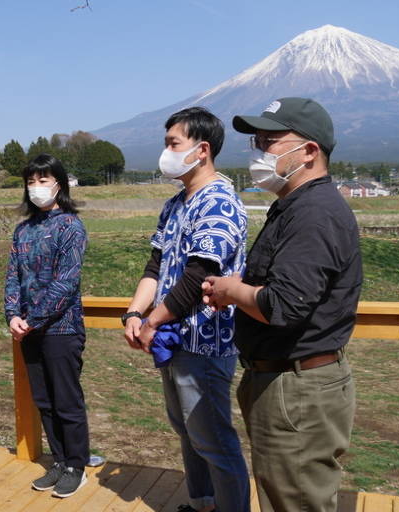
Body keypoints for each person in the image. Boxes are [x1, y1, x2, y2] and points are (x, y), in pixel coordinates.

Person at [202, 97, 361, 512]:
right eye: (257, 140)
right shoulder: (295, 206)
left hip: (298, 388)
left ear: (309, 151)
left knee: (296, 501)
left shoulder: (314, 214)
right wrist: (239, 290)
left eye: (269, 141)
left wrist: (230, 291)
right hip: (284, 382)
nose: (259, 150)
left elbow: (283, 306)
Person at [123, 107, 250, 512]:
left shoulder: (220, 202)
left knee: (214, 438)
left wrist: (152, 321)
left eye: (173, 143)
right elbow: (155, 266)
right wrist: (133, 313)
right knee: (189, 431)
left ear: (202, 149)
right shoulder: (176, 203)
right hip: (175, 340)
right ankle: (202, 503)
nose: (167, 152)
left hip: (206, 343)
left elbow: (198, 276)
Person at [4, 154, 90, 499]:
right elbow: (13, 276)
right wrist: (12, 313)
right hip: (28, 330)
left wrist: (34, 319)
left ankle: (76, 465)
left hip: (61, 329)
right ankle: (59, 459)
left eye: (44, 180)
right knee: (44, 400)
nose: (37, 188)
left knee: (67, 400)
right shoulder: (23, 230)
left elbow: (66, 282)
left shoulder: (71, 226)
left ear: (59, 184)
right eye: (31, 181)